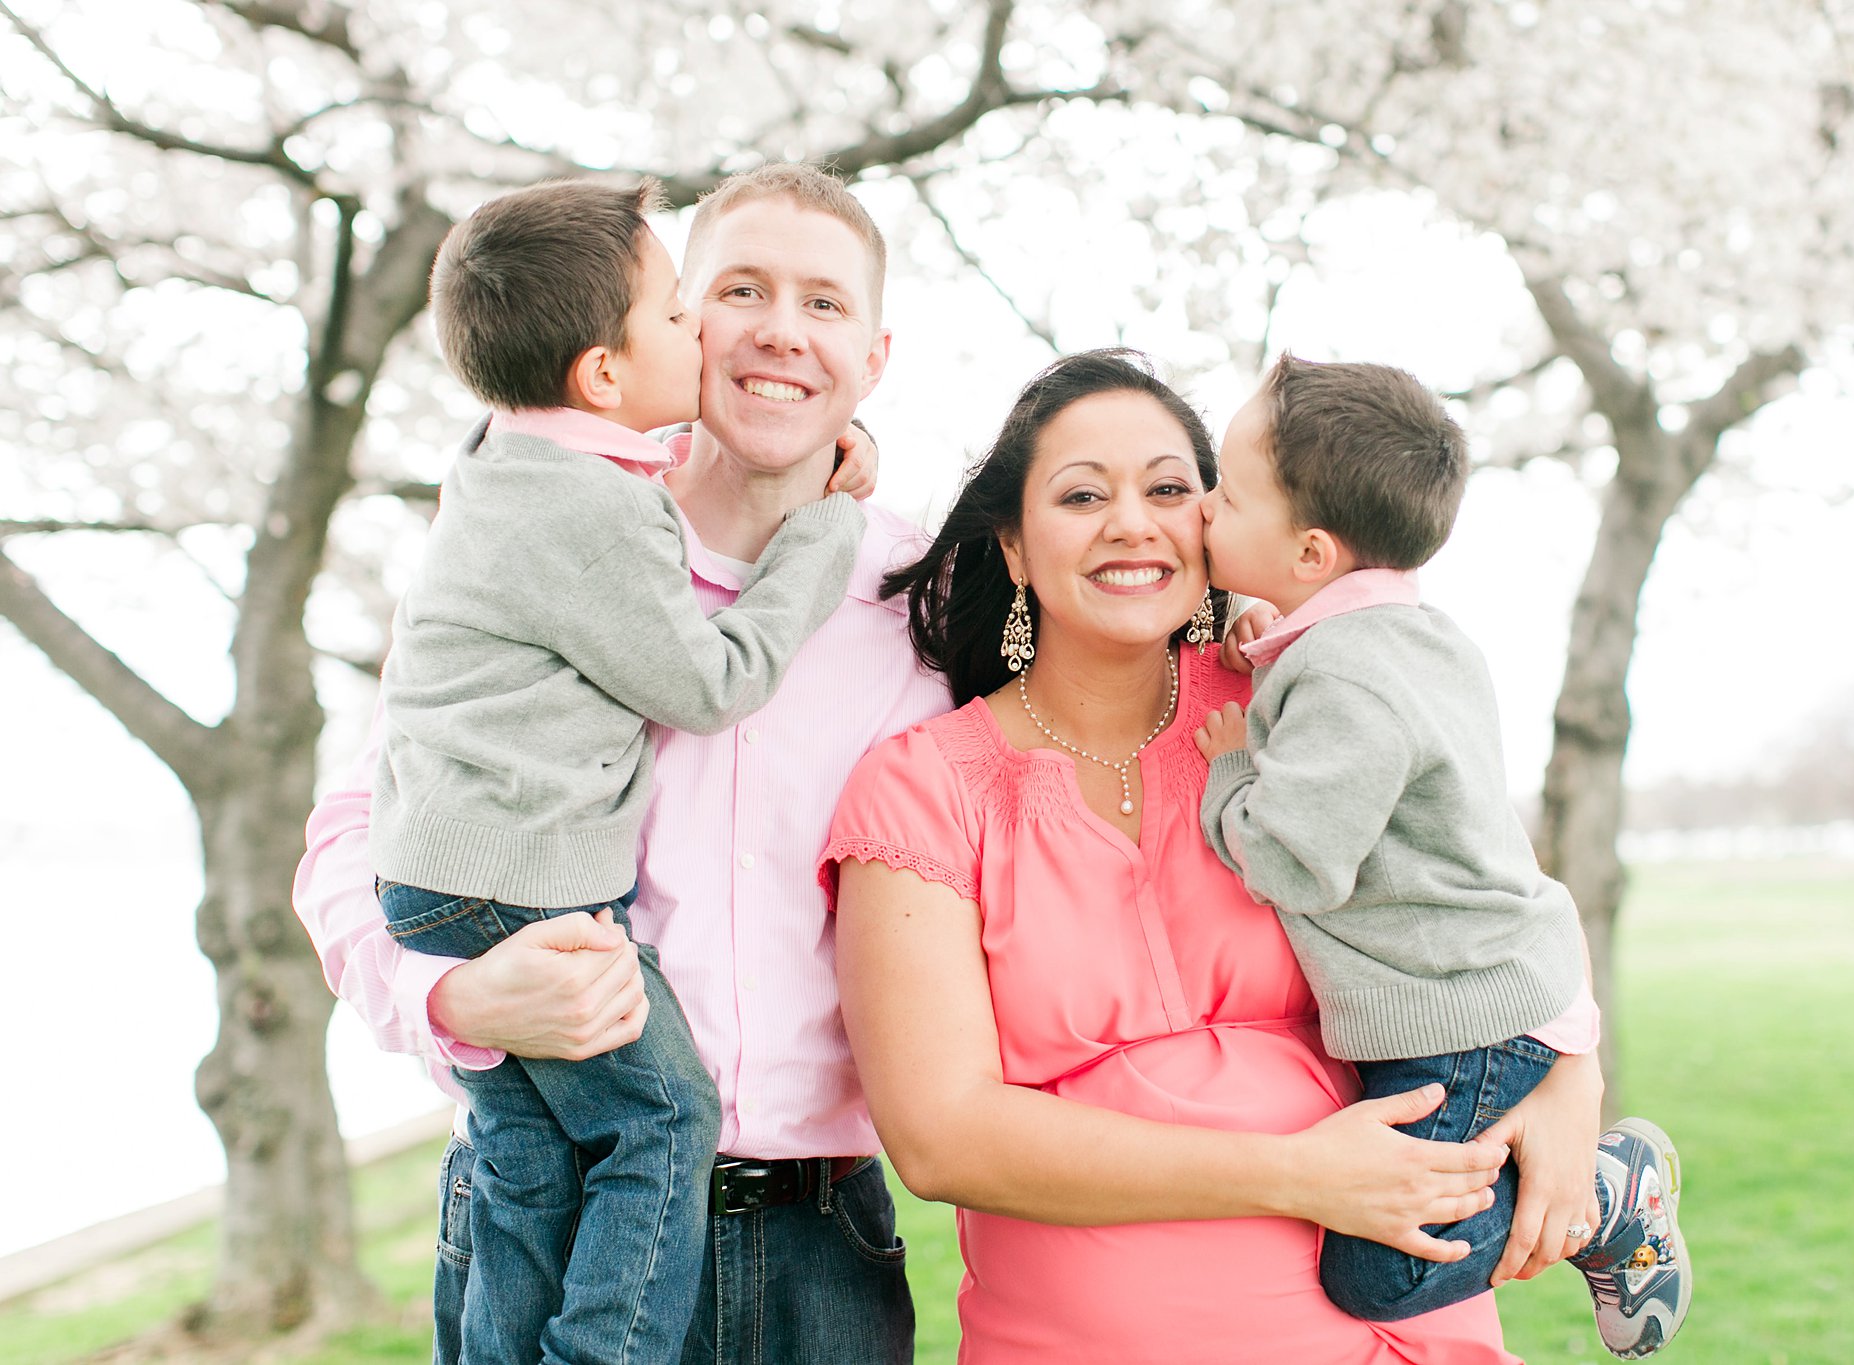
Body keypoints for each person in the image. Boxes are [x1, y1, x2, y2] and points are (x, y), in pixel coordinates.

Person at [825, 349, 1605, 1364]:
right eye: (1079, 495)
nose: (1132, 522)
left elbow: (1484, 893)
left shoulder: (1301, 718)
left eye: (1167, 488)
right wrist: (1291, 1174)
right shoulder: (919, 790)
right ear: (1013, 546)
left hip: (1394, 1335)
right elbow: (941, 1136)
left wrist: (1573, 1079)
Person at [296, 163, 949, 1365]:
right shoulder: (522, 540)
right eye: (738, 289)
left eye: (823, 303)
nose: (776, 331)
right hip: (548, 1208)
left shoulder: (926, 603)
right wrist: (444, 999)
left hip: (819, 1251)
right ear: (667, 327)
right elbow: (351, 830)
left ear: (874, 354)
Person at [1191, 355, 1690, 1358]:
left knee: (1381, 1269)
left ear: (1310, 553)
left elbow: (1296, 863)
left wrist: (1233, 773)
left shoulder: (1347, 681)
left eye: (1226, 494)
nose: (1201, 509)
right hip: (1487, 985)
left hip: (1462, 1020)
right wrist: (1266, 642)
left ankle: (1606, 1195)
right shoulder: (1397, 637)